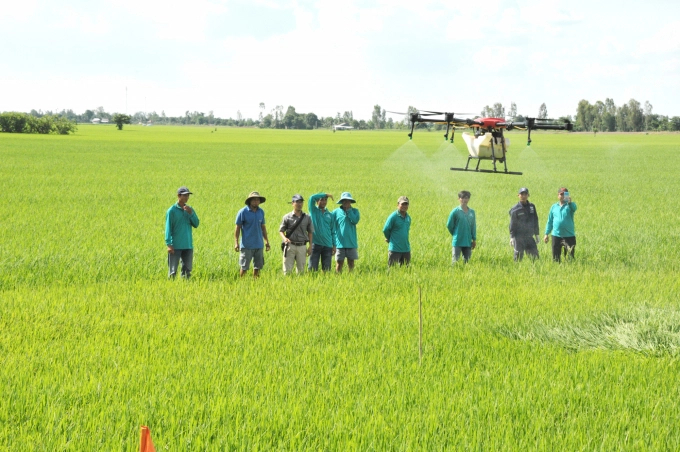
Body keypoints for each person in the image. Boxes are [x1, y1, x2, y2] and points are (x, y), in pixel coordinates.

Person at [165, 186, 200, 279]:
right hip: (175, 246)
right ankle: (171, 288)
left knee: (187, 271)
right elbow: (168, 228)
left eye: (188, 195)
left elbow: (196, 224)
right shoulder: (171, 211)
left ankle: (186, 288)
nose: (187, 197)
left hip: (188, 245)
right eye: (184, 195)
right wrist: (169, 244)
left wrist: (191, 213)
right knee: (172, 271)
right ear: (178, 196)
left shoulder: (189, 209)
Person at [234, 191, 271, 277]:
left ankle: (255, 284)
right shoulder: (242, 212)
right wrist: (236, 242)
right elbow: (237, 228)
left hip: (259, 244)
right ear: (250, 201)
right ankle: (242, 284)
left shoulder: (261, 212)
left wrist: (266, 241)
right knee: (244, 267)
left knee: (257, 267)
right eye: (254, 200)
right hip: (247, 245)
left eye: (257, 200)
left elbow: (263, 227)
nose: (256, 201)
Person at [279, 194, 314, 275]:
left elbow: (310, 232)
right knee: (287, 270)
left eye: (301, 202)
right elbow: (281, 230)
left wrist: (310, 246)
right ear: (292, 203)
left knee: (301, 270)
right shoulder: (287, 217)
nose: (299, 204)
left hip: (302, 246)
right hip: (290, 245)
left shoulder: (307, 217)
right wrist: (284, 239)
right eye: (297, 202)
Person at [543, 187, 578, 262]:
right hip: (556, 235)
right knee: (556, 258)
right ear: (558, 195)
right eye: (561, 194)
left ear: (567, 196)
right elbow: (550, 221)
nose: (562, 196)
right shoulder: (554, 207)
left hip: (569, 235)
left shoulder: (570, 205)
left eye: (564, 194)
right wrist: (546, 234)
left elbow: (574, 208)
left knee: (570, 257)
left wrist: (570, 202)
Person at [509, 187, 540, 261]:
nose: (523, 196)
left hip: (529, 236)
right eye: (522, 194)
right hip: (519, 238)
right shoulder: (515, 209)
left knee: (535, 258)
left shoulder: (532, 207)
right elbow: (512, 223)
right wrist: (512, 237)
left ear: (528, 195)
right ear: (518, 195)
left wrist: (537, 234)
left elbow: (535, 220)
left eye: (525, 194)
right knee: (518, 258)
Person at [308, 192, 336, 272]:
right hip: (315, 244)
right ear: (317, 201)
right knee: (312, 269)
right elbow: (311, 197)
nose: (324, 202)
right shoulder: (313, 211)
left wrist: (334, 245)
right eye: (321, 200)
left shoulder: (330, 215)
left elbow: (333, 231)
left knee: (326, 270)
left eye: (325, 200)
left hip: (327, 245)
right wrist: (326, 194)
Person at [333, 192, 360, 273]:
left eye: (348, 201)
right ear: (341, 201)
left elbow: (355, 220)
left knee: (351, 262)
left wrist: (349, 211)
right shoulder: (335, 212)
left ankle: (350, 277)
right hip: (339, 243)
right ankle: (337, 277)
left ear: (350, 202)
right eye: (344, 200)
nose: (346, 202)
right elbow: (332, 226)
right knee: (339, 263)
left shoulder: (355, 211)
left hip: (351, 242)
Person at [446, 190, 476, 263]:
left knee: (467, 261)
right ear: (459, 199)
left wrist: (474, 239)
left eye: (467, 198)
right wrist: (455, 233)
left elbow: (473, 226)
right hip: (457, 241)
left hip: (468, 241)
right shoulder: (455, 211)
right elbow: (449, 225)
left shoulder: (472, 212)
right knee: (455, 261)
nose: (465, 200)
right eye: (462, 198)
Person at [383, 196, 412, 267]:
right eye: (402, 204)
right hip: (395, 249)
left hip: (406, 249)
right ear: (398, 204)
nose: (404, 206)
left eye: (406, 204)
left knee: (406, 271)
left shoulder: (408, 218)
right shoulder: (393, 216)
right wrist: (390, 238)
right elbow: (385, 229)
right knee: (392, 271)